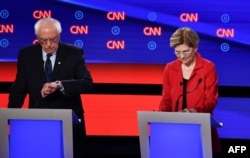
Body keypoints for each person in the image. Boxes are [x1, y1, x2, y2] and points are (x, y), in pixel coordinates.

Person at [8, 17, 93, 158]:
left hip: (68, 122)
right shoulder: (26, 55)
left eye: (53, 40)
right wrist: (9, 117)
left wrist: (60, 84)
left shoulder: (74, 53)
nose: (48, 45)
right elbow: (19, 88)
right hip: (37, 121)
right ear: (37, 38)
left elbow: (87, 83)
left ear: (59, 35)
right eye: (43, 40)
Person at [158, 27, 222, 156]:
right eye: (177, 52)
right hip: (175, 128)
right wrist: (160, 117)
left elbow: (211, 99)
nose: (181, 56)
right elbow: (166, 99)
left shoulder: (208, 67)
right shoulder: (170, 68)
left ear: (195, 48)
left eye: (186, 51)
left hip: (200, 126)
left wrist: (195, 111)